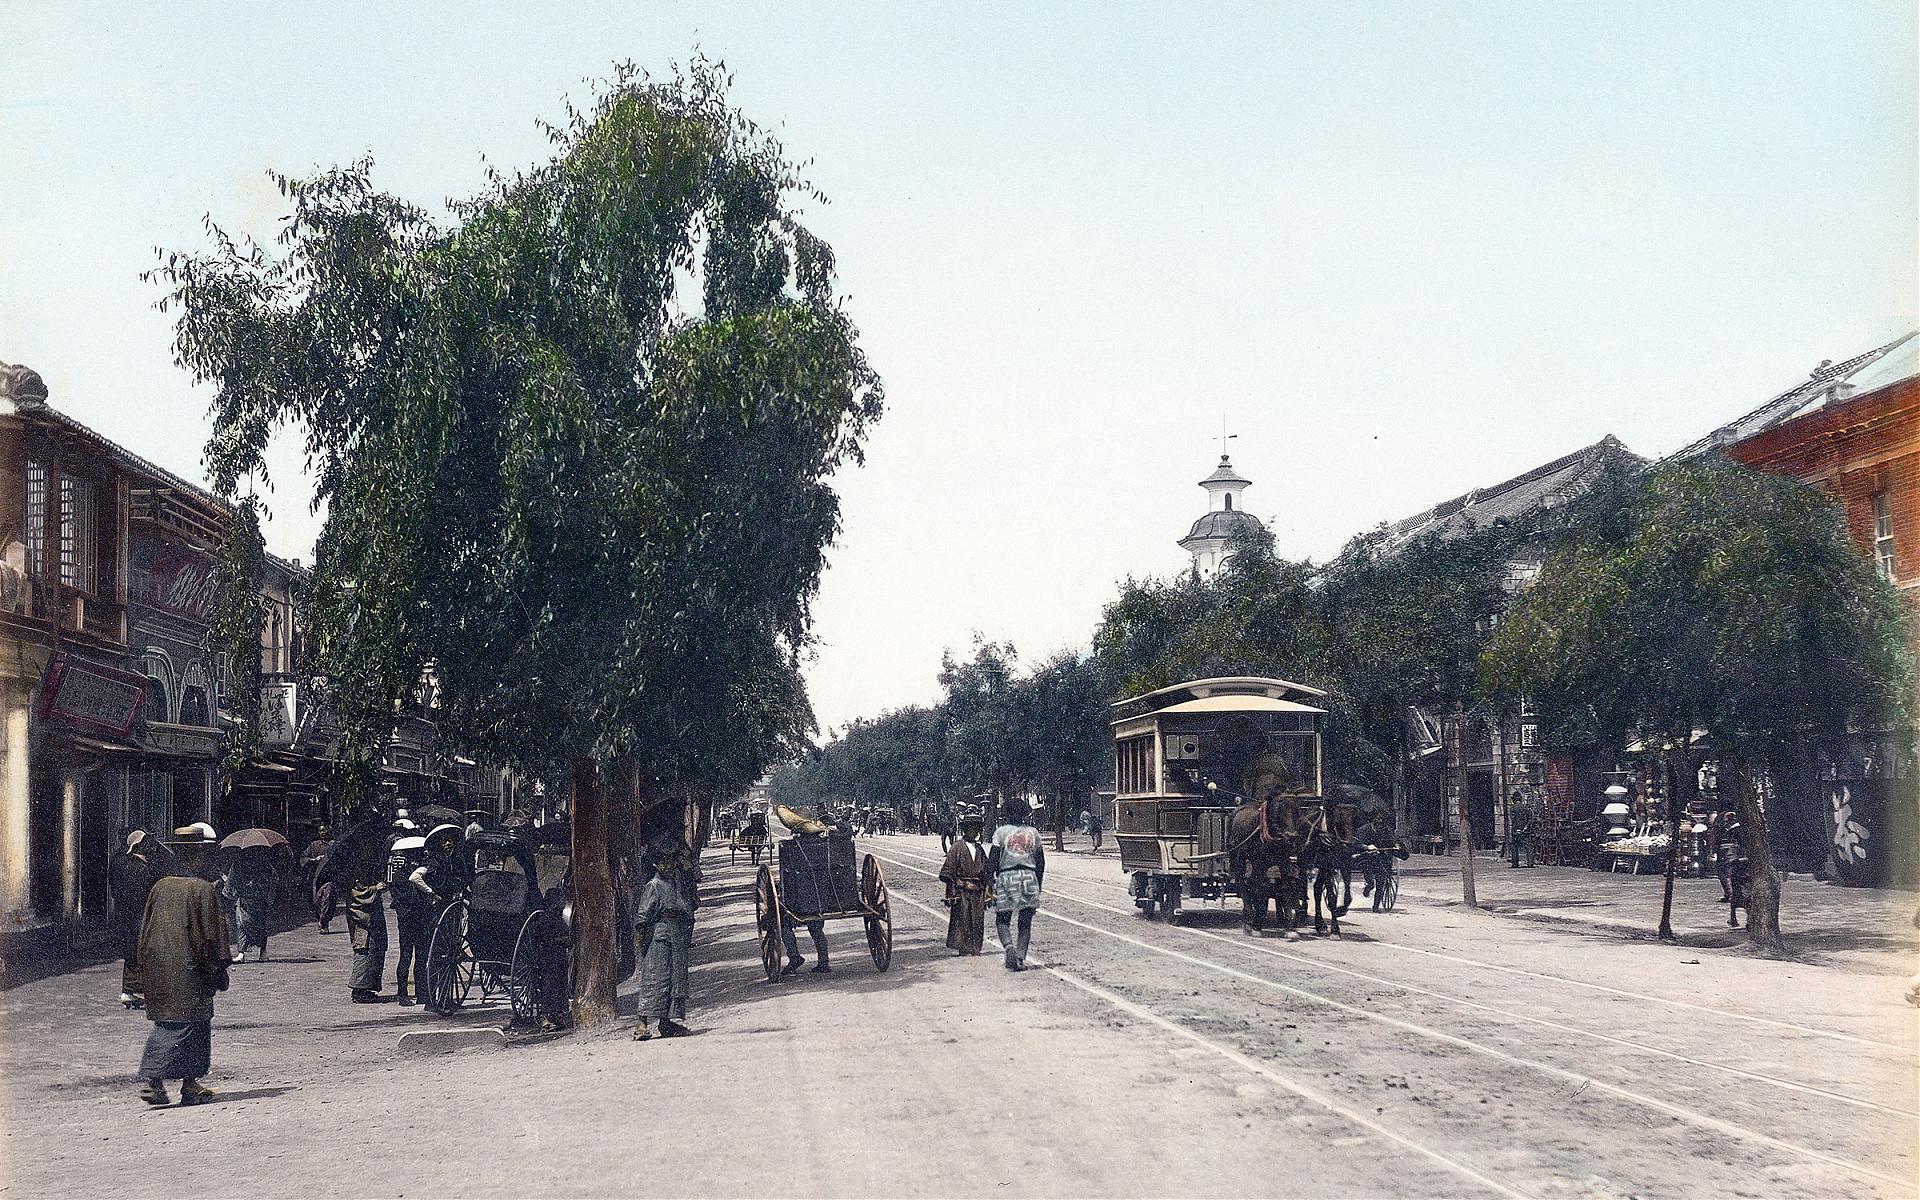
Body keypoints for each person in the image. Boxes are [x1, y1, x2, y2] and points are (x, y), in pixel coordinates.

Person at [135, 825, 231, 1107]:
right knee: (181, 1026)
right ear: (199, 854)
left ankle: (190, 1085)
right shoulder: (203, 889)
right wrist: (218, 969)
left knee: (184, 1024)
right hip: (191, 970)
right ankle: (153, 1079)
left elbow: (145, 930)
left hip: (158, 966)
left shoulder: (160, 887)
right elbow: (212, 936)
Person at [631, 841, 697, 1040]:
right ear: (655, 865)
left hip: (677, 937)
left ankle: (666, 1023)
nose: (668, 866)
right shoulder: (653, 886)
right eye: (663, 863)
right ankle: (641, 1023)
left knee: (674, 980)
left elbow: (686, 908)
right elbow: (642, 919)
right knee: (654, 979)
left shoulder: (674, 883)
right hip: (659, 938)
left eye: (671, 862)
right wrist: (642, 946)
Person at [987, 797, 1045, 971]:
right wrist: (1038, 883)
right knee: (1025, 921)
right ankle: (1020, 957)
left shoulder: (1001, 832)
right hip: (1029, 876)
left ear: (1006, 814)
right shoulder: (1033, 833)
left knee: (1002, 919)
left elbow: (993, 859)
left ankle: (1008, 946)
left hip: (1007, 877)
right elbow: (1041, 861)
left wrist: (990, 881)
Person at [111, 831, 163, 1008]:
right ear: (139, 846)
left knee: (133, 952)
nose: (150, 847)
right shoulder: (139, 868)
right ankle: (140, 991)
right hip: (138, 916)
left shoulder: (130, 865)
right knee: (143, 951)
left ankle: (129, 990)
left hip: (128, 916)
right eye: (146, 844)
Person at [386, 832, 431, 1005]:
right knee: (410, 954)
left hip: (407, 915)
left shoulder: (402, 867)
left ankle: (418, 993)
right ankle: (404, 993)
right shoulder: (404, 869)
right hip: (410, 915)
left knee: (415, 955)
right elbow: (407, 893)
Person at [938, 813, 989, 955]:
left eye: (976, 828)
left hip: (977, 890)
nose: (973, 832)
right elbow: (947, 871)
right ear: (965, 829)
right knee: (963, 919)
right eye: (970, 828)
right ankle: (963, 947)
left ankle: (975, 947)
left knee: (977, 919)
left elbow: (986, 871)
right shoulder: (956, 848)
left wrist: (988, 891)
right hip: (962, 890)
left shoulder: (980, 850)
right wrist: (952, 889)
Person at [224, 847, 279, 962]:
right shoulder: (237, 864)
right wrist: (230, 892)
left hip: (259, 899)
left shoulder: (264, 864)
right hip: (243, 899)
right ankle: (241, 953)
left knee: (260, 925)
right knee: (241, 924)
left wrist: (259, 883)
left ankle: (263, 951)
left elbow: (273, 877)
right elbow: (231, 879)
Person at [301, 825, 337, 932]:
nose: (323, 832)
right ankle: (320, 919)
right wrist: (313, 860)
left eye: (325, 830)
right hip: (315, 879)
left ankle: (324, 922)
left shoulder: (334, 845)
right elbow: (303, 858)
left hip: (329, 877)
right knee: (316, 901)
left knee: (328, 898)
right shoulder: (314, 845)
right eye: (320, 831)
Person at [1508, 793, 1536, 869]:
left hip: (1515, 830)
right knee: (1528, 847)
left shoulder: (1512, 808)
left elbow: (1513, 819)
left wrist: (1517, 828)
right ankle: (1530, 863)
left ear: (1513, 800)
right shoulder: (1526, 808)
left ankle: (1515, 863)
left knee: (1514, 847)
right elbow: (1531, 818)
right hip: (1525, 831)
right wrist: (1525, 827)